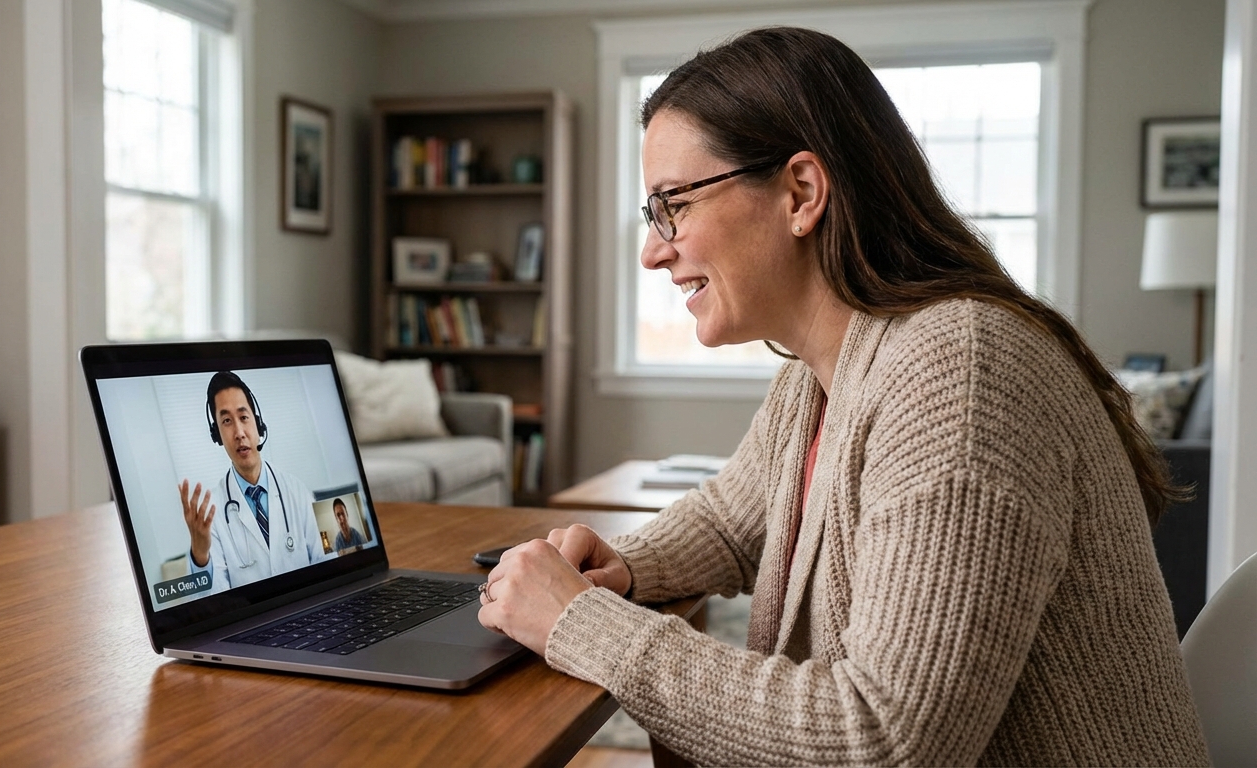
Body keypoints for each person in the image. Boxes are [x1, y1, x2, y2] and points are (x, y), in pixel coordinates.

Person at [475, 27, 1210, 766]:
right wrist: (620, 566)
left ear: (801, 192)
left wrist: (583, 623)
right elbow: (733, 521)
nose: (654, 249)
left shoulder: (962, 372)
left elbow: (886, 740)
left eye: (675, 204)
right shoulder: (820, 370)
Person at [179, 371, 324, 593]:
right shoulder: (211, 514)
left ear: (258, 424)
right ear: (217, 435)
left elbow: (328, 567)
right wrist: (200, 556)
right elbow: (212, 607)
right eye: (226, 421)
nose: (238, 433)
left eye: (244, 417)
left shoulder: (297, 491)